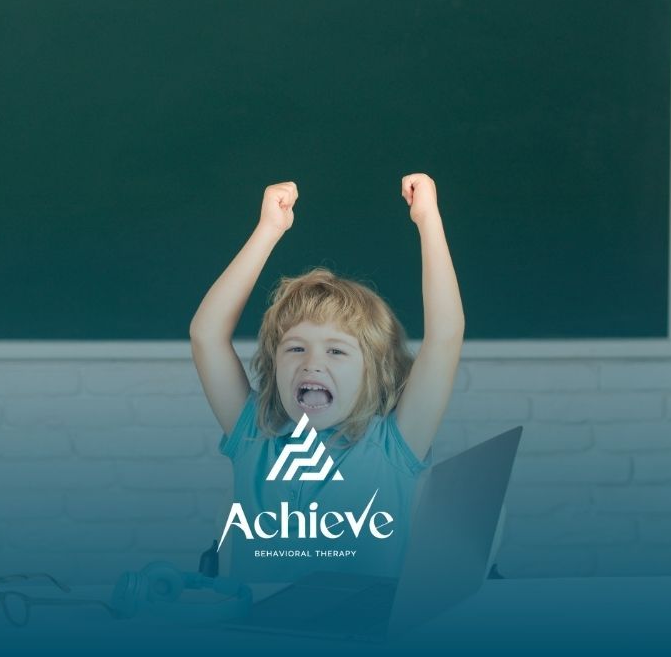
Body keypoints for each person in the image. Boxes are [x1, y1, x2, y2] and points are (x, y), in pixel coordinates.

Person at [189, 175, 465, 582]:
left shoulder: (393, 446)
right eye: (295, 348)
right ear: (273, 364)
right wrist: (268, 231)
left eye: (336, 351)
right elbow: (206, 335)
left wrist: (428, 220)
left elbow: (444, 338)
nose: (312, 363)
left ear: (373, 371)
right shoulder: (254, 435)